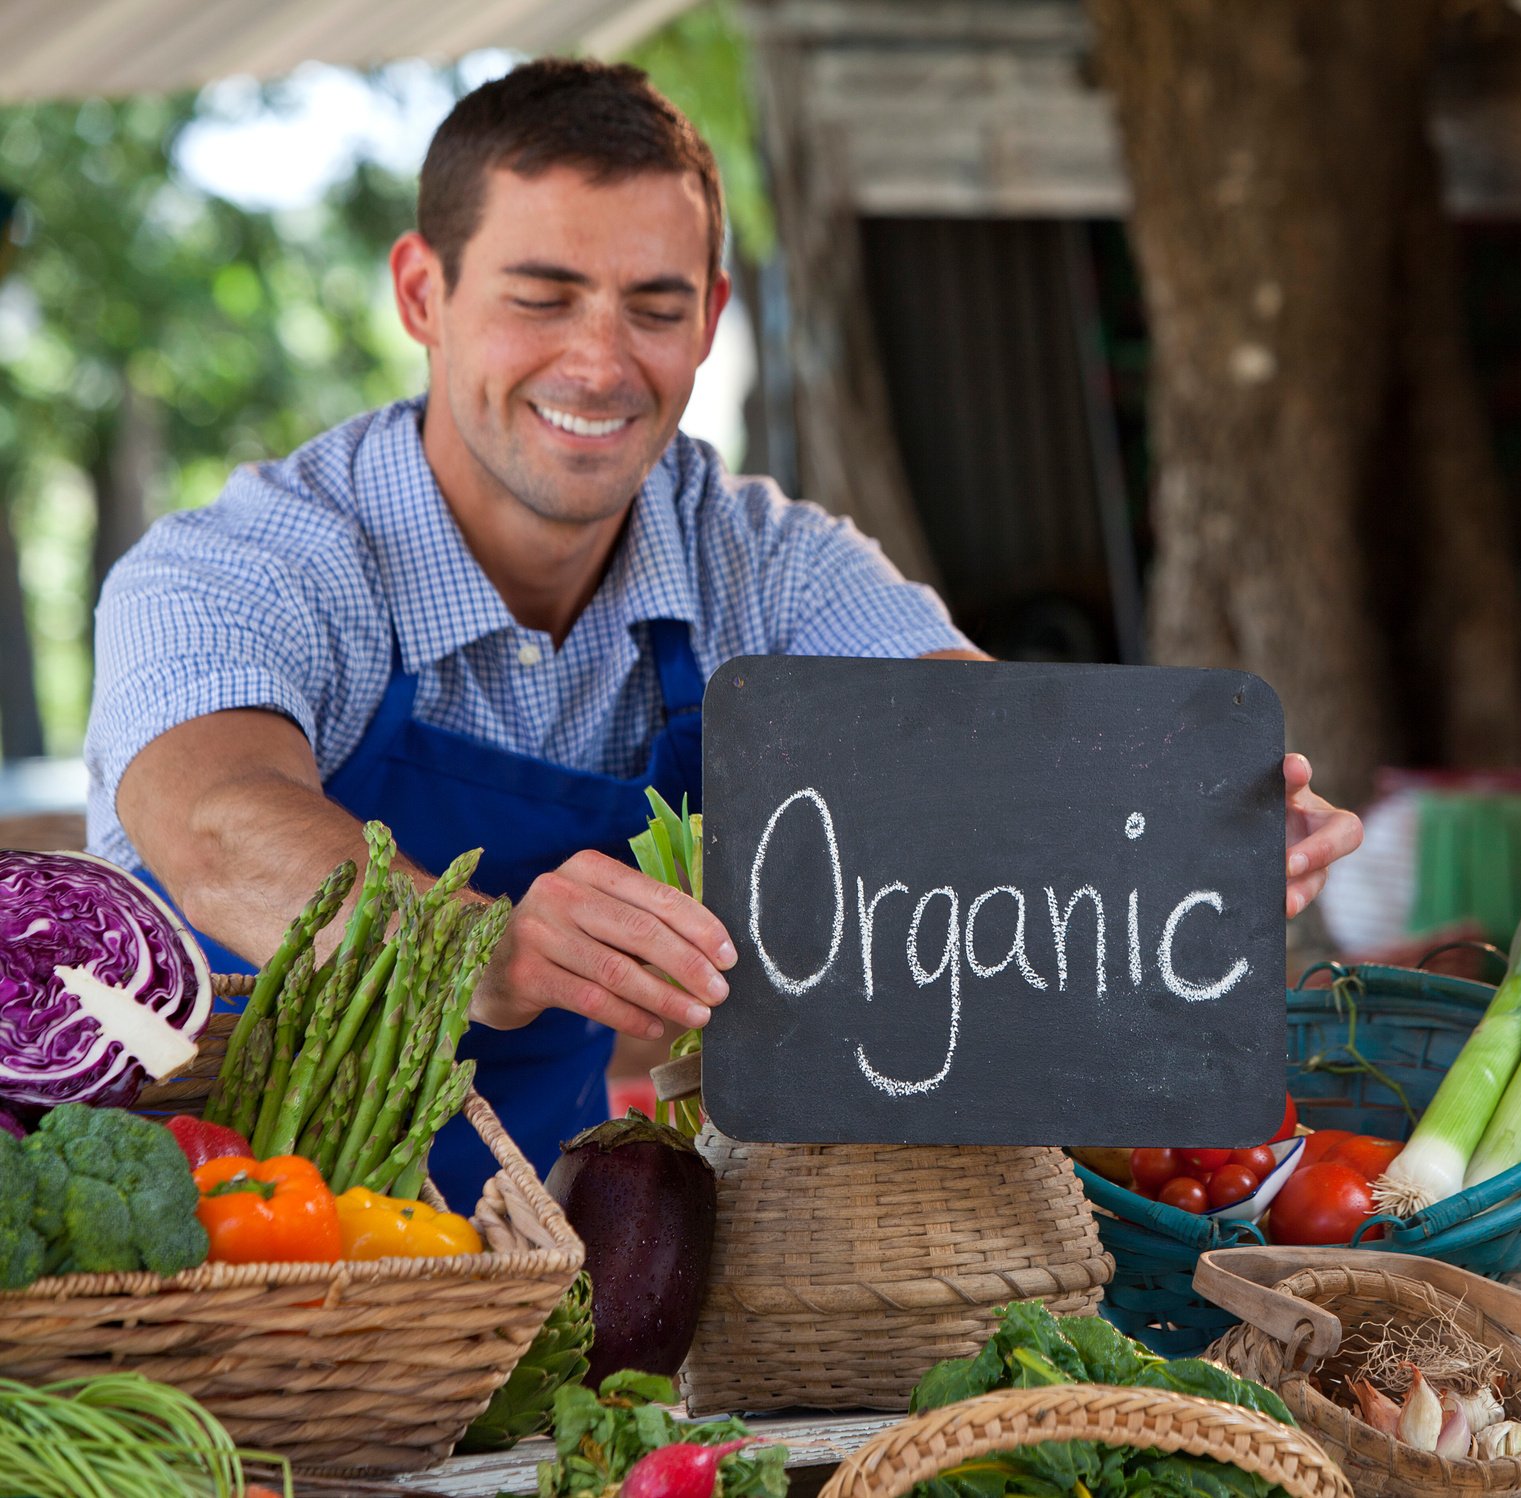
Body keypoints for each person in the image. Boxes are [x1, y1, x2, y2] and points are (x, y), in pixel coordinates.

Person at [84, 58, 1363, 1203]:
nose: (599, 363)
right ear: (423, 291)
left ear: (710, 314)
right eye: (542, 296)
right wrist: (476, 945)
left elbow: (989, 753)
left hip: (544, 1264)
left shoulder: (761, 560)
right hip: (200, 1244)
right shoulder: (246, 562)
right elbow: (214, 818)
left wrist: (1164, 842)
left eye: (653, 306)